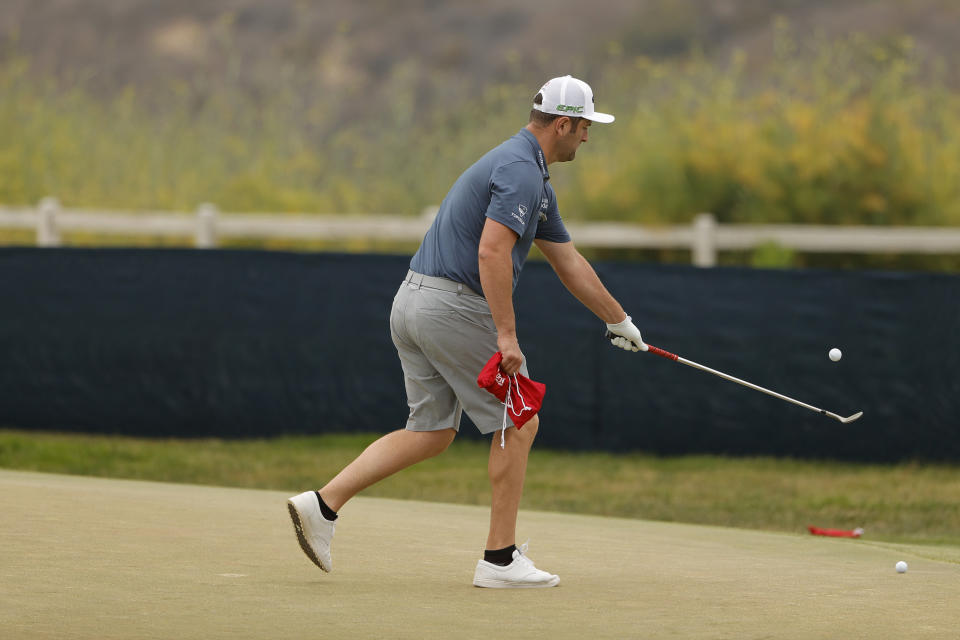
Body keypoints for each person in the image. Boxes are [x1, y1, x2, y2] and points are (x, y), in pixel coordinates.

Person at [287, 75, 648, 589]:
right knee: (520, 419)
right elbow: (491, 251)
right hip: (452, 308)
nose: (588, 137)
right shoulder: (523, 172)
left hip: (412, 301)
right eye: (585, 126)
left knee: (431, 432)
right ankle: (499, 561)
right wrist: (506, 336)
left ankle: (322, 505)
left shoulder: (528, 173)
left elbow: (568, 261)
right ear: (564, 124)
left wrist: (618, 320)